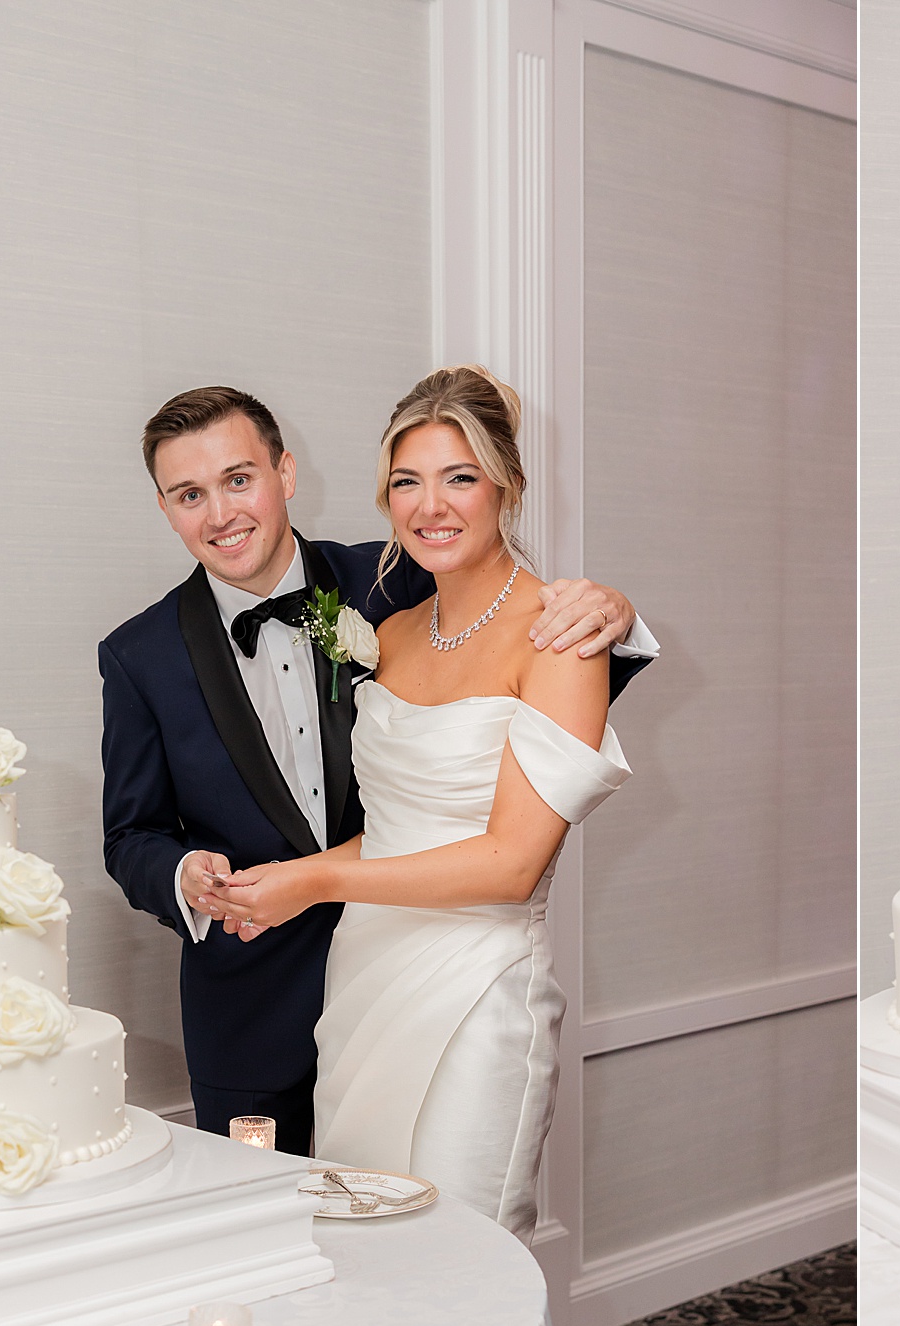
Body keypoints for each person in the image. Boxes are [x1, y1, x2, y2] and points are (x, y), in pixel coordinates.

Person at [99, 385, 655, 1154]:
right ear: (165, 508)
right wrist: (185, 874)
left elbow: (514, 631)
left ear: (284, 473)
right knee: (281, 1241)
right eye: (190, 494)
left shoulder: (392, 579)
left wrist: (612, 611)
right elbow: (130, 835)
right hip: (252, 1005)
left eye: (239, 478)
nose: (221, 513)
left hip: (439, 973)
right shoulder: (138, 655)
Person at [219, 367, 631, 1238]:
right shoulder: (394, 634)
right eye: (407, 482)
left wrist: (316, 887)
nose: (430, 505)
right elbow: (390, 836)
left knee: (464, 1257)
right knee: (360, 1247)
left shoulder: (562, 635)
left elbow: (513, 864)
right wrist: (286, 878)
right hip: (366, 978)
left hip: (478, 988)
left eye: (460, 477)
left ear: (508, 487)